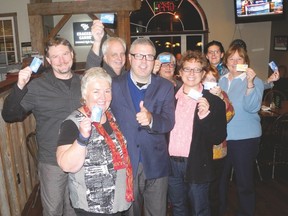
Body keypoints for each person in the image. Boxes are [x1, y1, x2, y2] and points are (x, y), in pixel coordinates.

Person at [2, 37, 81, 216]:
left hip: (80, 159)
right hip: (52, 162)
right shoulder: (37, 87)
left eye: (65, 54)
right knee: (53, 210)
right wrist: (20, 86)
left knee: (76, 209)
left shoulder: (84, 82)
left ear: (72, 55)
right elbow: (9, 115)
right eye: (55, 56)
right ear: (48, 61)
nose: (61, 60)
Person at [110, 38, 175, 216]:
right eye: (139, 56)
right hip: (125, 163)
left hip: (156, 162)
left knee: (157, 212)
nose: (144, 61)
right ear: (130, 58)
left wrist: (151, 119)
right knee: (130, 212)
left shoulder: (166, 86)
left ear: (155, 61)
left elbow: (169, 121)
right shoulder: (114, 85)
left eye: (149, 56)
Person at [56, 67, 133, 216]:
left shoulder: (110, 115)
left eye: (107, 91)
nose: (103, 97)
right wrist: (82, 138)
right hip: (93, 207)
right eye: (96, 91)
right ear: (85, 94)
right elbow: (66, 165)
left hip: (119, 201)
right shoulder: (73, 123)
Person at [168, 50, 227, 216]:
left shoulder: (214, 102)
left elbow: (218, 137)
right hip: (171, 164)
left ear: (203, 74)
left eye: (197, 69)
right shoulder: (170, 98)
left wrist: (205, 116)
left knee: (200, 209)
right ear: (180, 72)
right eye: (187, 69)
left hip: (197, 163)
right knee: (178, 208)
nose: (191, 73)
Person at [218, 43, 264, 216]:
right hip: (222, 138)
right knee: (220, 181)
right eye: (231, 58)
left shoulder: (254, 80)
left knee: (244, 183)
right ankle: (219, 211)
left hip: (245, 139)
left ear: (245, 61)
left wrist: (250, 84)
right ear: (226, 61)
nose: (235, 62)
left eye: (239, 58)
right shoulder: (221, 80)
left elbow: (252, 107)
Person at [202, 66, 235, 216]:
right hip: (199, 151)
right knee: (200, 190)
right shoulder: (197, 95)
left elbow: (229, 115)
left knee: (215, 190)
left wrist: (220, 99)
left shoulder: (222, 95)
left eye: (213, 80)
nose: (210, 82)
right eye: (206, 79)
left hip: (218, 151)